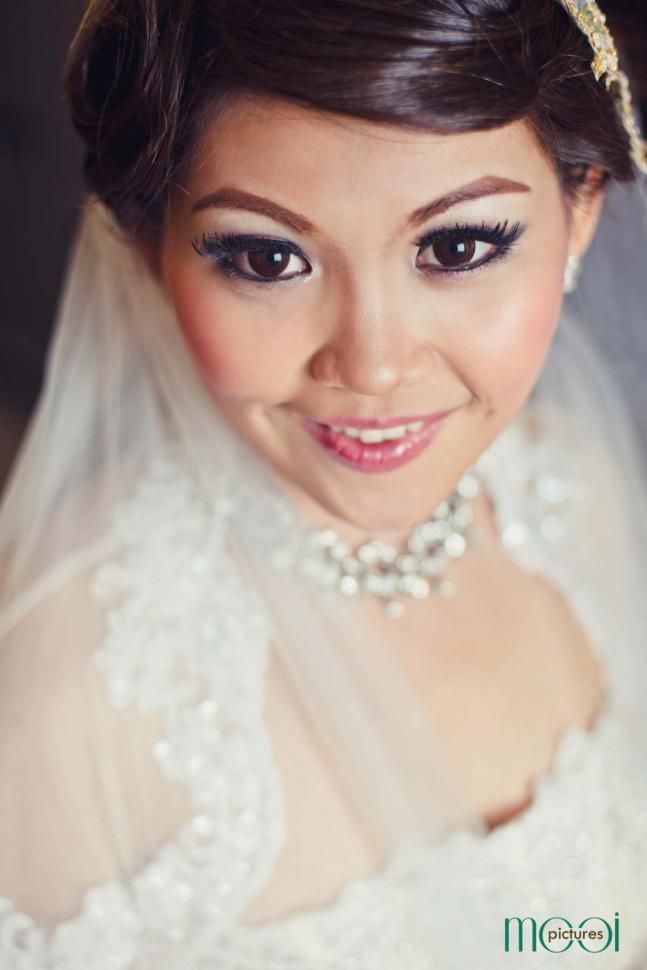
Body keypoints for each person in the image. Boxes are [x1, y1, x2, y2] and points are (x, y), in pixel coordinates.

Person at [0, 0, 646, 966]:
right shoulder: (58, 705)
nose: (373, 366)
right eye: (268, 259)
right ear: (147, 249)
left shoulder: (571, 484)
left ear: (581, 207)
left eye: (456, 247)